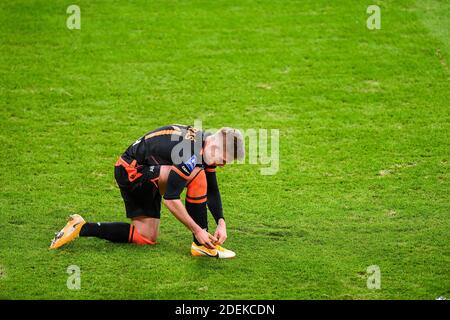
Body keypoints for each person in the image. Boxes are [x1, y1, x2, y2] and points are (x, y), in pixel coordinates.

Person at [49, 125, 244, 258]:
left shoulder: (206, 143)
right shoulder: (191, 152)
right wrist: (197, 230)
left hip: (146, 169)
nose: (223, 165)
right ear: (216, 146)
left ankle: (81, 227)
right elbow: (171, 199)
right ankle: (202, 245)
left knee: (145, 237)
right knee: (196, 175)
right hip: (131, 172)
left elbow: (212, 189)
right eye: (224, 160)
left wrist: (221, 222)